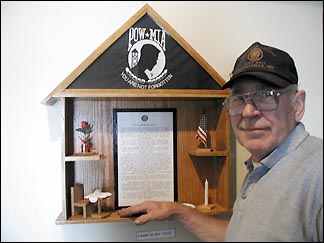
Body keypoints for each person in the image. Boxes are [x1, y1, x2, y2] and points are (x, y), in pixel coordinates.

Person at [118, 42, 323, 242]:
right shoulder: (261, 168)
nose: (248, 111)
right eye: (239, 99)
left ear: (297, 105)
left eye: (264, 95)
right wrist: (178, 211)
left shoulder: (318, 174)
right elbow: (242, 235)